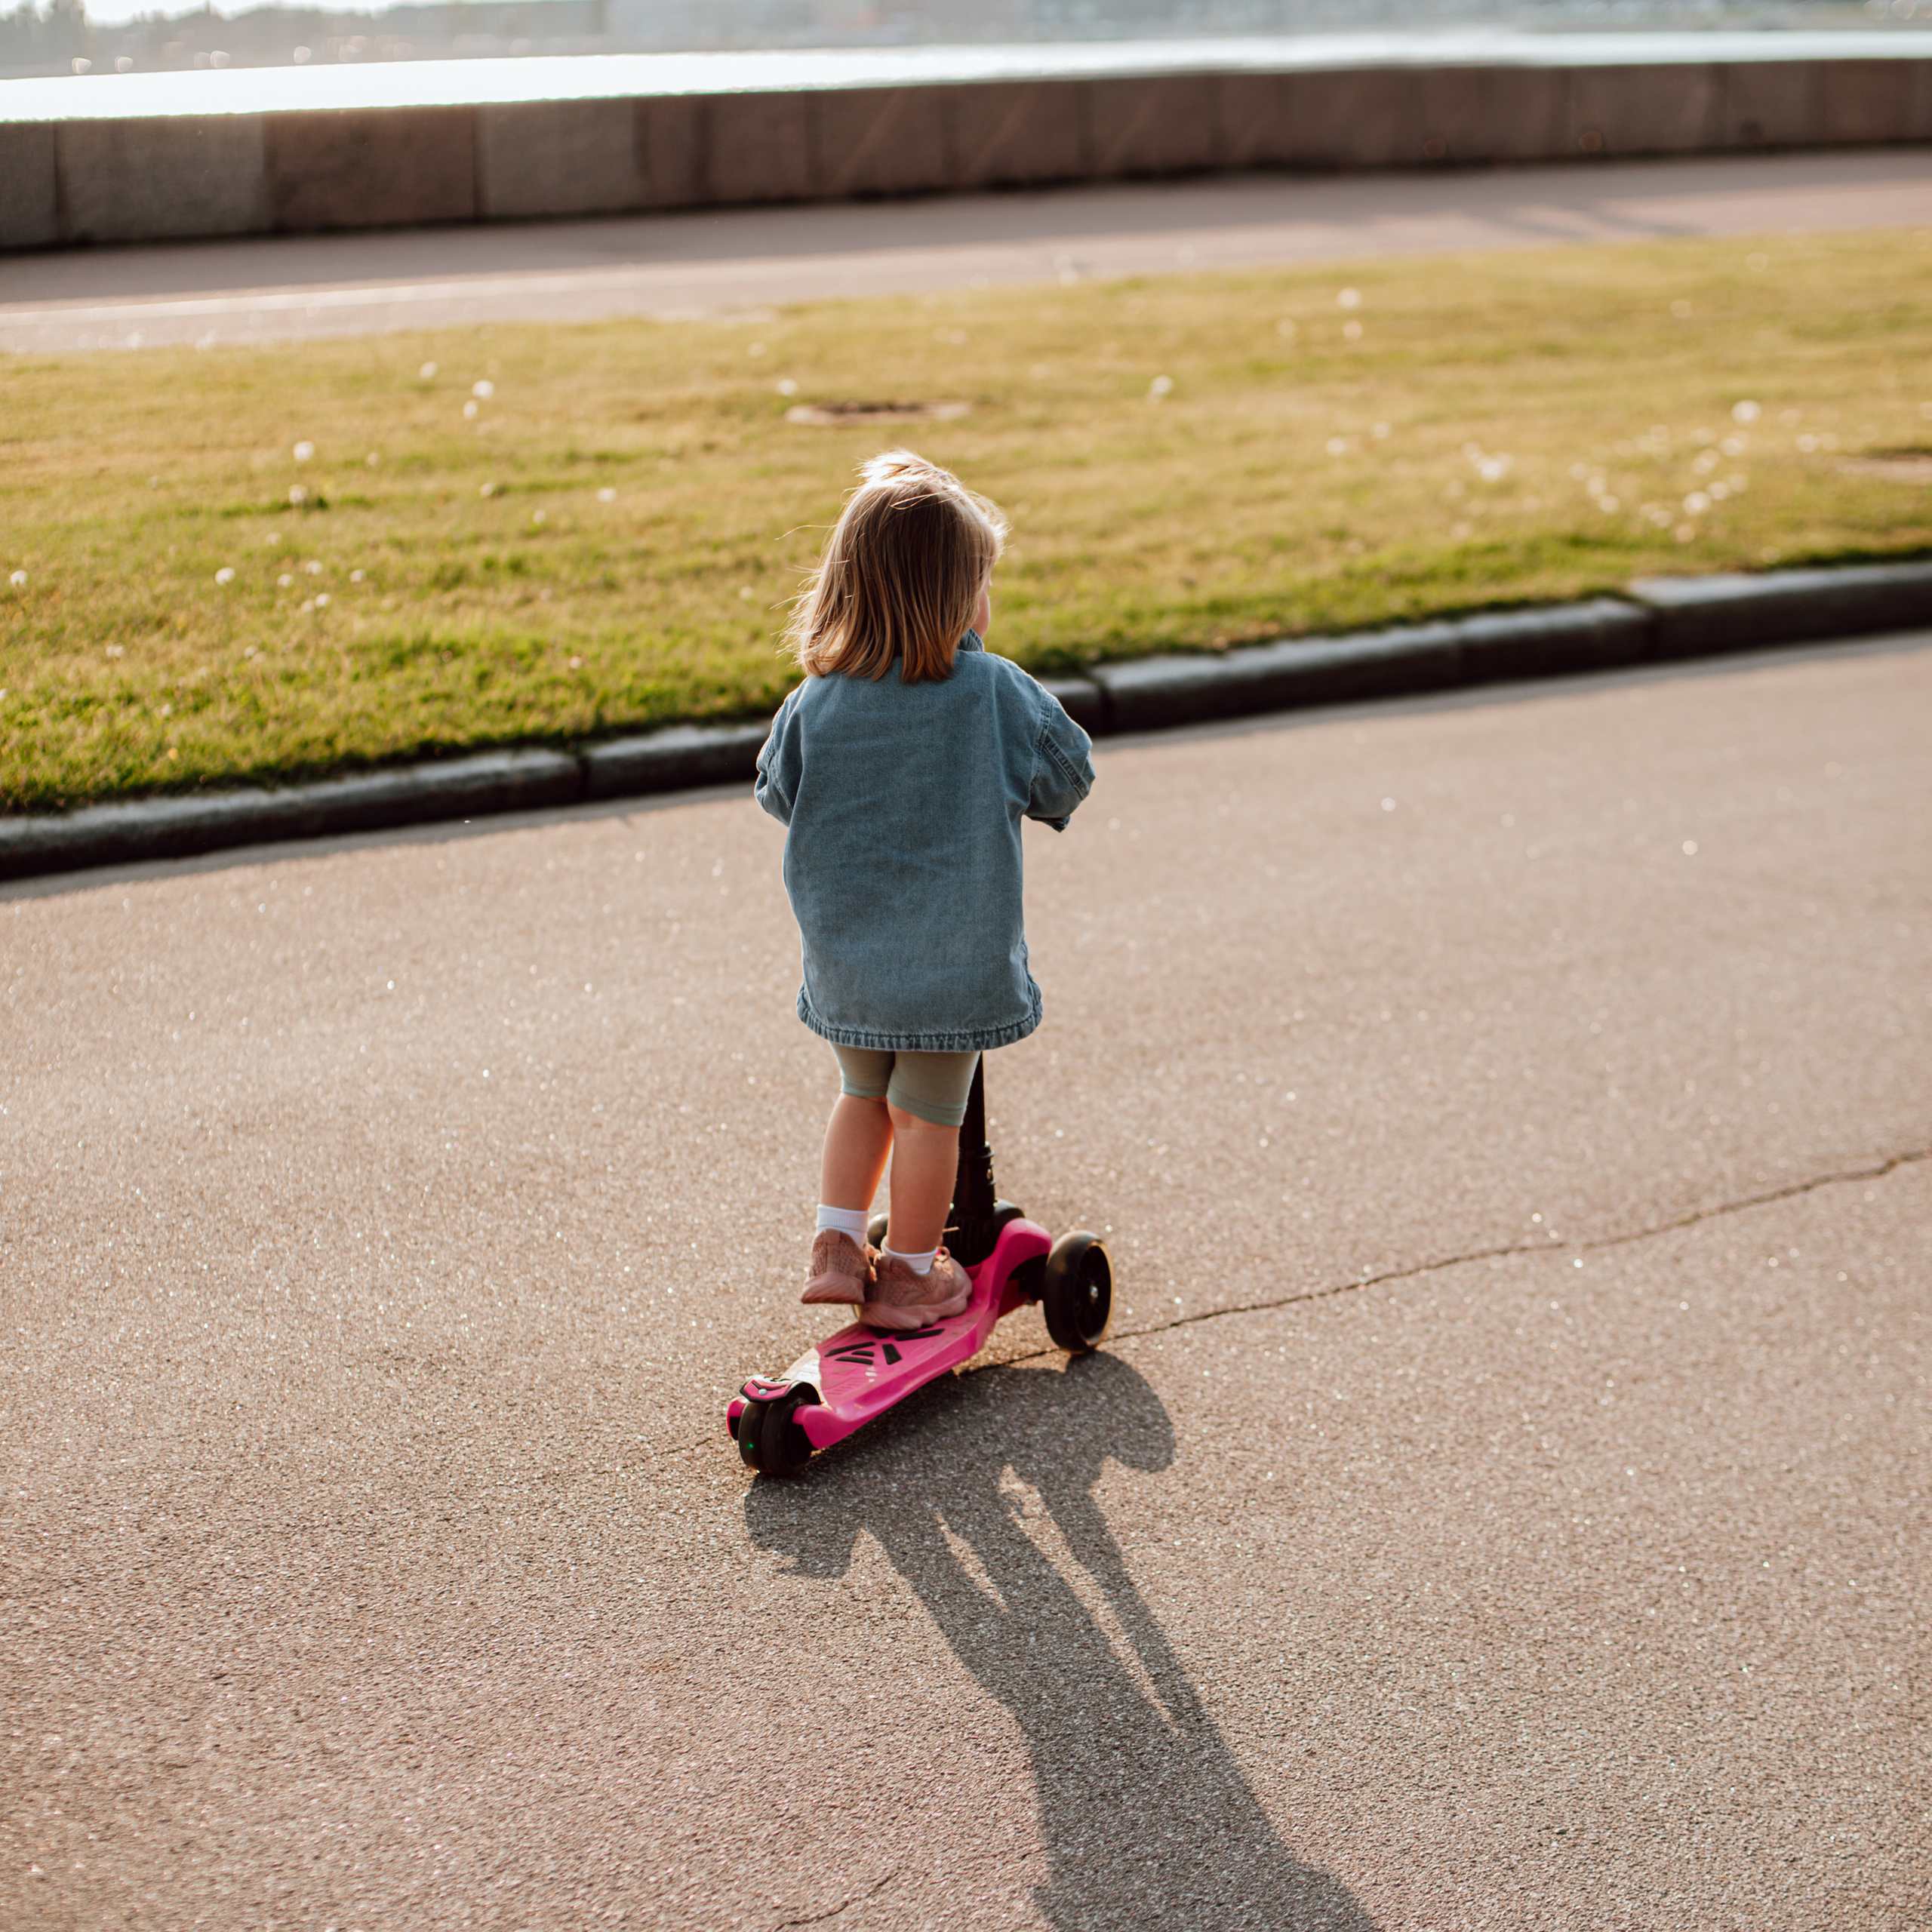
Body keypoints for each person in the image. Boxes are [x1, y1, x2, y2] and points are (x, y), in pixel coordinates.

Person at [755, 451, 1096, 1331]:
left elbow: (777, 792)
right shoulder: (992, 691)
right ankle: (910, 1273)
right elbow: (1069, 776)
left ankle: (836, 1244)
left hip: (850, 965)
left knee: (863, 1097)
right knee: (929, 1118)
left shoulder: (814, 700)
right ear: (959, 600)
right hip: (951, 967)